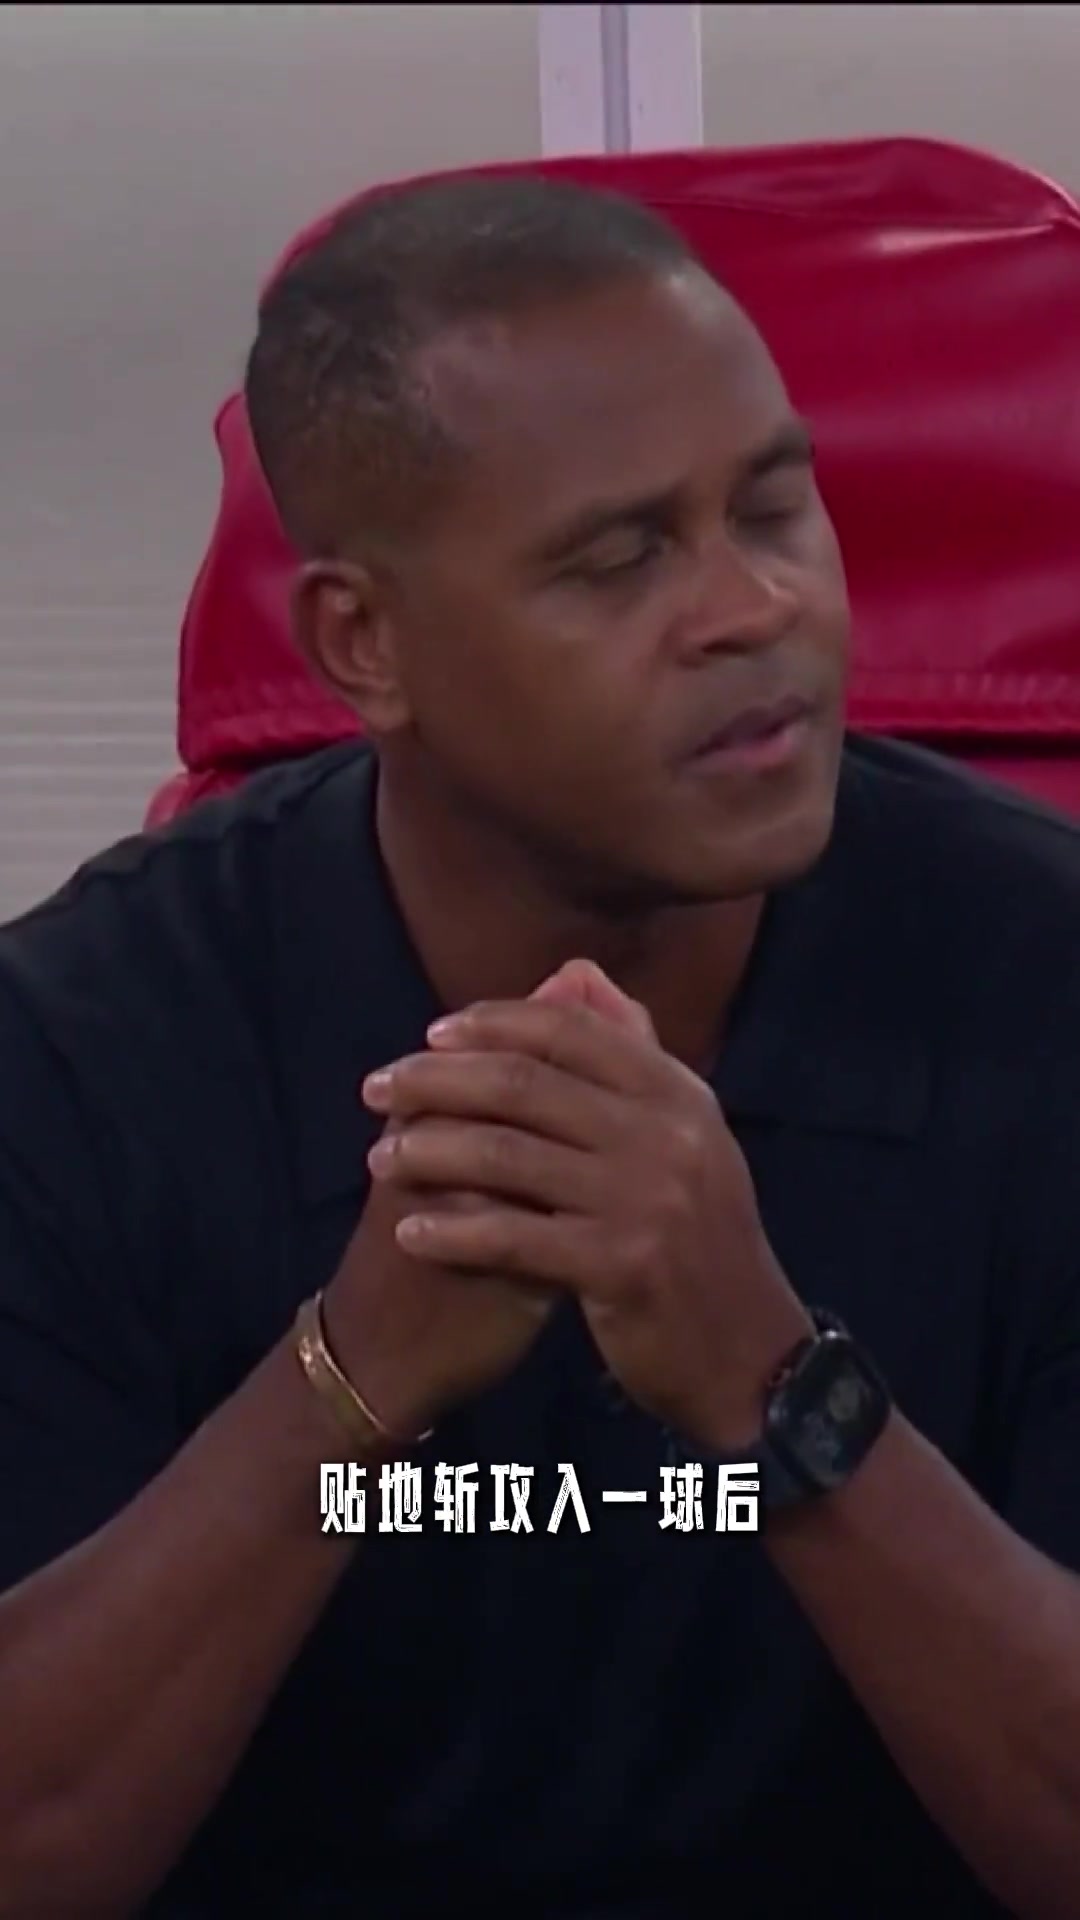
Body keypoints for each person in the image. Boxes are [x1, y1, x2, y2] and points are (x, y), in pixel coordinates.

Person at [0, 172, 1078, 1920]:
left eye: (775, 508)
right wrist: (349, 1380)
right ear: (364, 644)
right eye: (620, 555)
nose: (752, 609)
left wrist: (777, 1391)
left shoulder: (1045, 981)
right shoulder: (80, 1052)